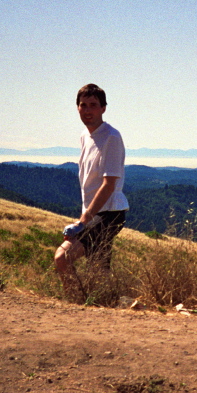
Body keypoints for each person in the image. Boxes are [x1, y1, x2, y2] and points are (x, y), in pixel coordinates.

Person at [54, 84, 129, 292]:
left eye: (93, 105)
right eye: (83, 105)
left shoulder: (111, 137)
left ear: (103, 108)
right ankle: (110, 307)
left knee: (62, 257)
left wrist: (83, 221)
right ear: (77, 108)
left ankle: (76, 302)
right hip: (97, 212)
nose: (87, 110)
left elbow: (109, 183)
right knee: (99, 271)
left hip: (109, 213)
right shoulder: (85, 136)